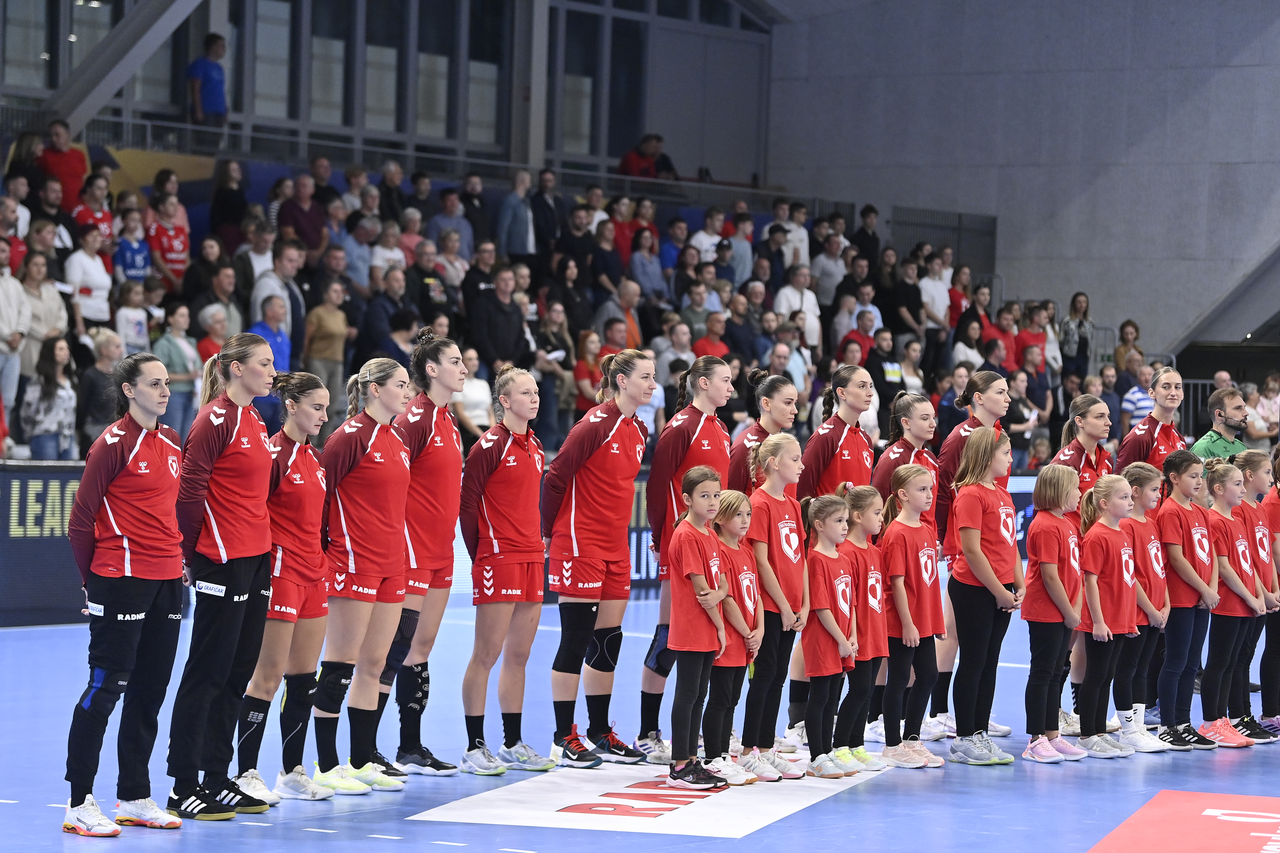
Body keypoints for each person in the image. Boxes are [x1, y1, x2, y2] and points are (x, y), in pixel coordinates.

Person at [63, 353, 185, 835]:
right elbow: (80, 521)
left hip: (167, 580)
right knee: (106, 684)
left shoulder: (172, 443)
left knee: (150, 689)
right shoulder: (111, 444)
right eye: (154, 384)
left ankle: (134, 795)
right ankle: (78, 802)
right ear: (129, 390)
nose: (164, 391)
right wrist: (91, 583)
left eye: (167, 384)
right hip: (121, 579)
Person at [165, 333, 276, 820]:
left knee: (238, 671)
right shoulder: (214, 418)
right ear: (235, 369)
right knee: (206, 672)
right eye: (264, 363)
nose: (272, 371)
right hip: (221, 558)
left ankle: (216, 776)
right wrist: (192, 556)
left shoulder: (252, 417)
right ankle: (183, 783)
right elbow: (189, 493)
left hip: (256, 557)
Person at [230, 372, 341, 802]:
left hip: (314, 576)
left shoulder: (315, 460)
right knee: (266, 677)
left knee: (303, 679)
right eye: (317, 407)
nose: (324, 416)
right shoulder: (272, 455)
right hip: (280, 575)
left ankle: (292, 771)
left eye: (326, 408)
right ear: (291, 405)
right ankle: (246, 773)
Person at [543, 350, 654, 768]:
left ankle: (598, 731)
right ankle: (562, 736)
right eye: (645, 376)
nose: (652, 384)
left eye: (654, 376)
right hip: (580, 543)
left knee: (608, 640)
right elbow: (556, 477)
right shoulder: (595, 423)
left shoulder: (638, 429)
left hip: (615, 546)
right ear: (622, 381)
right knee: (575, 638)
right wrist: (546, 533)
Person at [308, 358, 413, 794]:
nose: (408, 393)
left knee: (375, 663)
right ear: (374, 389)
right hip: (353, 563)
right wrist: (325, 554)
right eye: (401, 385)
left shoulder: (398, 441)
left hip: (392, 565)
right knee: (339, 667)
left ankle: (360, 759)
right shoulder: (348, 437)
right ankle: (327, 766)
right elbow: (320, 496)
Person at [455, 367, 557, 774]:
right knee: (486, 654)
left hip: (532, 557)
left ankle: (512, 742)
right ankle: (473, 746)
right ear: (504, 400)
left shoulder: (534, 444)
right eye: (525, 393)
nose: (534, 398)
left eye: (535, 392)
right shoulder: (488, 445)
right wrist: (482, 554)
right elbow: (467, 506)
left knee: (519, 655)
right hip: (499, 559)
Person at [634, 357, 734, 762]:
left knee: (701, 639)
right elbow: (657, 486)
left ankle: (689, 735)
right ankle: (647, 732)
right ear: (703, 383)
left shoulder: (722, 428)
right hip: (680, 547)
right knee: (668, 637)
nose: (731, 388)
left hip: (709, 547)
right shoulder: (681, 426)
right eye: (725, 381)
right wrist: (663, 538)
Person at [383, 333, 468, 775]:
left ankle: (410, 746)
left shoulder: (447, 419)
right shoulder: (414, 418)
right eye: (455, 361)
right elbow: (389, 481)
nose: (465, 369)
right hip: (412, 550)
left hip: (441, 551)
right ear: (431, 370)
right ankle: (366, 751)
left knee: (422, 646)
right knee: (394, 646)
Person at [944, 427, 1021, 765]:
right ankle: (963, 738)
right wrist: (999, 591)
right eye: (1005, 453)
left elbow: (1011, 545)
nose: (1011, 459)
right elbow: (972, 552)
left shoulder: (1002, 495)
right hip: (974, 590)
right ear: (988, 456)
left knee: (989, 662)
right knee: (974, 661)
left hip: (1001, 591)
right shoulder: (971, 494)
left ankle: (980, 733)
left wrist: (1019, 586)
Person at [737, 433, 808, 779]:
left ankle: (766, 746)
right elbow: (762, 562)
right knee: (763, 678)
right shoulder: (760, 502)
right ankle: (750, 749)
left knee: (778, 678)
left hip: (791, 608)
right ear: (773, 464)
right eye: (795, 459)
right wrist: (782, 605)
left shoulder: (793, 505)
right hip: (769, 607)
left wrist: (804, 603)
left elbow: (801, 559)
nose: (801, 465)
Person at [661, 467, 733, 789]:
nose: (713, 501)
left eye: (716, 495)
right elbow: (705, 592)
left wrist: (718, 595)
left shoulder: (710, 533)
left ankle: (692, 759)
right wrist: (720, 627)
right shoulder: (688, 534)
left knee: (699, 695)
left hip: (706, 626)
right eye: (705, 495)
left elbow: (723, 583)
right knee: (688, 695)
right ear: (688, 499)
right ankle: (679, 765)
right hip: (694, 628)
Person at [874, 465, 944, 769]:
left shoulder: (926, 529)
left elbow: (929, 581)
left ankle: (912, 737)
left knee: (928, 674)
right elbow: (897, 583)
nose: (929, 495)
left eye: (930, 489)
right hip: (904, 622)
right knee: (900, 679)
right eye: (921, 490)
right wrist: (907, 624)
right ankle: (892, 744)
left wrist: (935, 620)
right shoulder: (897, 533)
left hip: (924, 619)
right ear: (902, 495)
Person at [1019, 464, 1089, 763]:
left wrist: (1075, 608)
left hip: (1065, 610)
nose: (1080, 493)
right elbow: (1050, 576)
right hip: (1047, 611)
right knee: (1043, 672)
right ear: (1060, 491)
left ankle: (1052, 733)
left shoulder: (1067, 523)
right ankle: (1035, 739)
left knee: (1056, 671)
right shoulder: (1045, 525)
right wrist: (1069, 611)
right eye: (1075, 488)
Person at [1154, 450, 1220, 750]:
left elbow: (1211, 555)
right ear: (1174, 478)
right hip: (1182, 598)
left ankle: (1183, 722)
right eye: (1193, 476)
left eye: (1200, 475)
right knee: (1176, 662)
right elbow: (1176, 558)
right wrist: (1203, 589)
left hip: (1201, 598)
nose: (1199, 481)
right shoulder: (1170, 511)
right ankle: (1167, 724)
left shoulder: (1200, 511)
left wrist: (1211, 587)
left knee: (1193, 663)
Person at [703, 490, 768, 778]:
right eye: (738, 514)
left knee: (733, 699)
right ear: (720, 517)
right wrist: (745, 631)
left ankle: (724, 754)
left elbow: (756, 594)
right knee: (720, 697)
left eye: (748, 514)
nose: (745, 520)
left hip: (748, 638)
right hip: (730, 638)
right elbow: (726, 598)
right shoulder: (718, 550)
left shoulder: (746, 551)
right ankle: (712, 756)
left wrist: (761, 629)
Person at [1073, 475, 1139, 759]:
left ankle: (1100, 731)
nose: (1130, 501)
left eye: (1129, 496)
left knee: (1108, 675)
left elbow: (1126, 580)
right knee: (1096, 675)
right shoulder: (1097, 535)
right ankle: (1088, 734)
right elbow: (1090, 581)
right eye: (1123, 497)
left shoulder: (1122, 533)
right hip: (1102, 620)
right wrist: (1098, 621)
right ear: (1104, 503)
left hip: (1120, 619)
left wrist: (1129, 618)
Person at [1200, 459, 1265, 747]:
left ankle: (1224, 718)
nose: (1242, 489)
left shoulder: (1236, 519)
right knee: (1219, 662)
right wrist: (1250, 596)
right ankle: (1211, 722)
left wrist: (1259, 593)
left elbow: (1249, 563)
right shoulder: (1214, 521)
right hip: (1230, 601)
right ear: (1218, 489)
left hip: (1246, 601)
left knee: (1233, 662)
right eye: (1236, 484)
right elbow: (1224, 567)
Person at [796, 494, 855, 779]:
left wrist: (852, 634)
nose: (845, 526)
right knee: (819, 697)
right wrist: (841, 639)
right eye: (838, 521)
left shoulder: (843, 559)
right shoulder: (815, 560)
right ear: (819, 524)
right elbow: (821, 606)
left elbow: (850, 603)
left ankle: (829, 751)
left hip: (842, 639)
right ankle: (816, 756)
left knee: (833, 695)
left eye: (846, 520)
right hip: (823, 639)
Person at [1116, 462, 1174, 753]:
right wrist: (1150, 608)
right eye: (1154, 489)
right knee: (1128, 669)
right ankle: (1127, 728)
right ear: (1135, 491)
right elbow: (1132, 574)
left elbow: (1159, 569)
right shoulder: (1126, 525)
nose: (1158, 494)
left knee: (1142, 671)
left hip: (1155, 610)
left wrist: (1165, 604)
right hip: (1138, 612)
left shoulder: (1150, 523)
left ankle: (1138, 726)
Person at [1229, 451, 1280, 740]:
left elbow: (1267, 555)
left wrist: (1273, 589)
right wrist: (1260, 593)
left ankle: (1245, 715)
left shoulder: (1258, 508)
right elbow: (1242, 557)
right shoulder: (1239, 510)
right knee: (1237, 657)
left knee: (1245, 655)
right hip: (1248, 595)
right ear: (1250, 475)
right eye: (1267, 474)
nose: (1271, 480)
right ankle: (1238, 716)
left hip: (1262, 593)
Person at [799, 364, 875, 498]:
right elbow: (803, 490)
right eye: (862, 386)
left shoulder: (866, 440)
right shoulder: (826, 436)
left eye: (871, 386)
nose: (870, 392)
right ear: (842, 393)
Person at [727, 371, 798, 496]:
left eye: (795, 403)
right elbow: (731, 501)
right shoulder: (745, 445)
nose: (795, 410)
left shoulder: (789, 443)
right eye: (788, 403)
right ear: (766, 403)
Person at [1051, 393, 1114, 520]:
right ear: (1079, 421)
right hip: (1075, 538)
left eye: (1108, 416)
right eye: (1100, 417)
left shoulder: (1107, 460)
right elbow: (1048, 512)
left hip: (1098, 537)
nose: (1109, 423)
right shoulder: (1065, 462)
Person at [1117, 367, 1185, 471]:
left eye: (1177, 387)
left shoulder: (1179, 438)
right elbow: (1120, 481)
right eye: (1166, 387)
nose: (1173, 392)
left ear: (1182, 394)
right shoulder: (1139, 437)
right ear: (1152, 393)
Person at [151, 304, 200, 442]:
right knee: (172, 434)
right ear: (171, 319)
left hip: (191, 392)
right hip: (173, 393)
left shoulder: (190, 341)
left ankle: (181, 463)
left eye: (188, 315)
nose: (187, 319)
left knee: (187, 436)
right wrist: (187, 377)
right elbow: (158, 372)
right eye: (182, 315)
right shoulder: (163, 344)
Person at [23, 337, 77, 460]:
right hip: (45, 435)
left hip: (67, 436)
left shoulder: (71, 380)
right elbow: (27, 411)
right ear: (50, 352)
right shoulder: (39, 381)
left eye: (67, 348)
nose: (66, 352)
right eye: (61, 349)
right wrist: (32, 433)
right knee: (47, 476)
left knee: (66, 477)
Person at [17, 254, 68, 380]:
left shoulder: (51, 289)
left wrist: (58, 329)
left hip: (56, 348)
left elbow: (62, 313)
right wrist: (46, 335)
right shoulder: (19, 291)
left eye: (43, 265)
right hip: (31, 348)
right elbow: (22, 319)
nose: (40, 269)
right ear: (26, 267)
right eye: (35, 265)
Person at [67, 225, 113, 337]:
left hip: (103, 314)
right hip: (86, 314)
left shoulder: (98, 259)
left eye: (98, 235)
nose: (96, 239)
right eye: (91, 236)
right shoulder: (76, 259)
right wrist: (79, 322)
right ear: (82, 240)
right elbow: (74, 292)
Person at [37, 121, 88, 213]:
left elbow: (83, 180)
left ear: (68, 135)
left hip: (77, 209)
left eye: (57, 135)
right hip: (54, 209)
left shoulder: (79, 155)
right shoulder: (44, 155)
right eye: (51, 135)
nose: (53, 139)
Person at [1192, 386, 1249, 460]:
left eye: (1244, 407)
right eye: (1238, 408)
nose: (1246, 413)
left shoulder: (1241, 446)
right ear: (1219, 414)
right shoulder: (1203, 448)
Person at [187, 33, 228, 127]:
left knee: (215, 140)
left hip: (218, 111)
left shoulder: (219, 68)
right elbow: (195, 88)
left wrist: (225, 110)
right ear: (213, 47)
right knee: (205, 139)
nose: (224, 49)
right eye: (221, 46)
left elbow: (221, 91)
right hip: (206, 110)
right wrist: (198, 110)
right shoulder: (199, 64)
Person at [496, 169, 536, 265]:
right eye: (529, 180)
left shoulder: (526, 202)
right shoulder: (510, 201)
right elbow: (503, 227)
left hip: (529, 250)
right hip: (515, 251)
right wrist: (502, 252)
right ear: (523, 181)